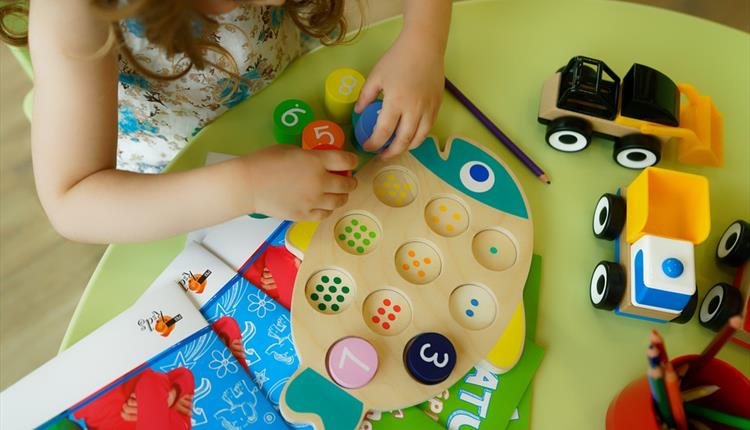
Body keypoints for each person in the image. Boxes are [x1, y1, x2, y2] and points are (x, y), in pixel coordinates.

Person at [0, 0, 451, 243]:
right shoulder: (74, 11)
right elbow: (72, 202)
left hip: (284, 88)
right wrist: (244, 186)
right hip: (173, 183)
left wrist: (422, 40)